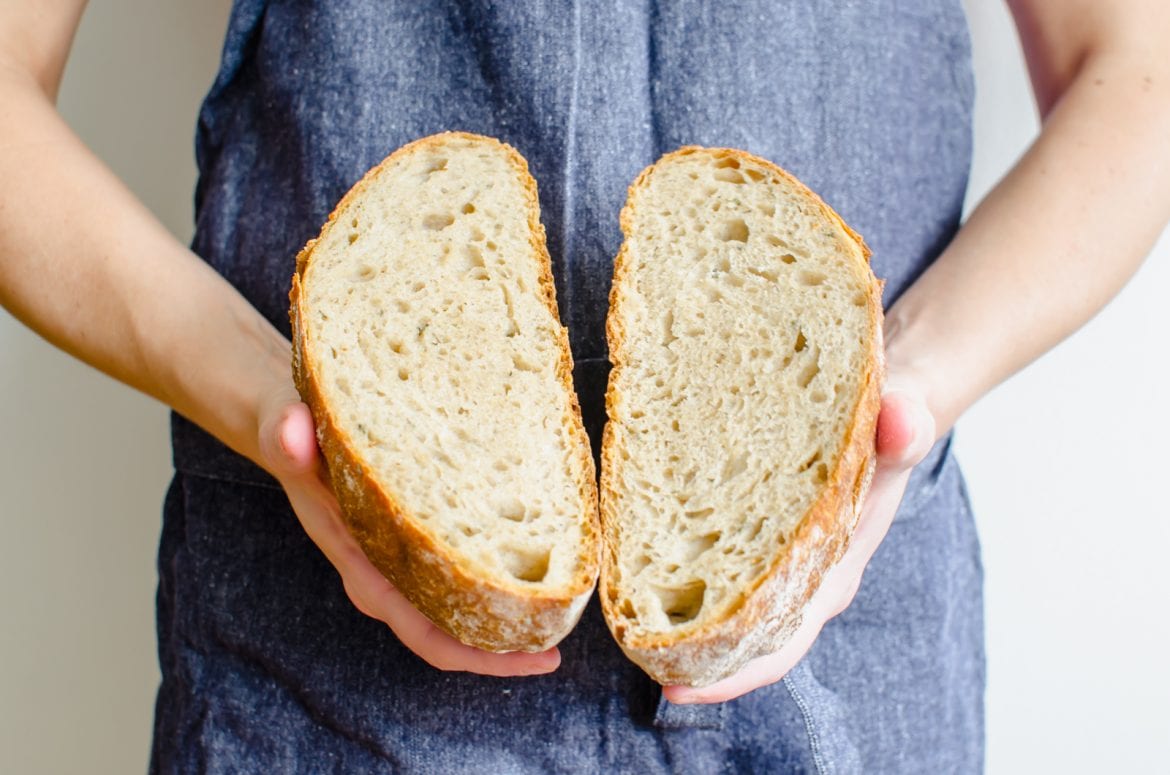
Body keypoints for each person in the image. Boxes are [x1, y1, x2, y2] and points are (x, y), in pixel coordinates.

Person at [1, 0, 1167, 771]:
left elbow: (1140, 71)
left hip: (842, 680)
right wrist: (271, 400)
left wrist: (911, 376)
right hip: (319, 667)